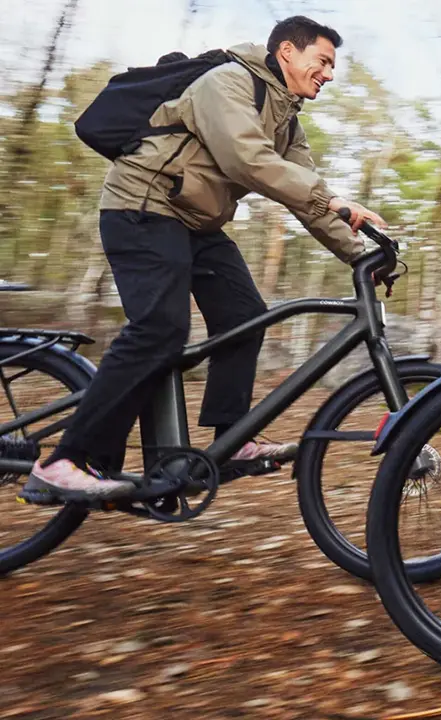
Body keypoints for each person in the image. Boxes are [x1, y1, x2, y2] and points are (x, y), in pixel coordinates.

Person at [23, 16, 386, 504]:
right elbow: (247, 160)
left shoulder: (286, 118)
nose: (329, 73)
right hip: (144, 206)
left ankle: (231, 439)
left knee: (245, 317)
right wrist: (334, 201)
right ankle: (67, 461)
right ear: (287, 52)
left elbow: (307, 197)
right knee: (159, 329)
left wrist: (361, 254)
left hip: (196, 222)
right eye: (322, 61)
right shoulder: (229, 81)